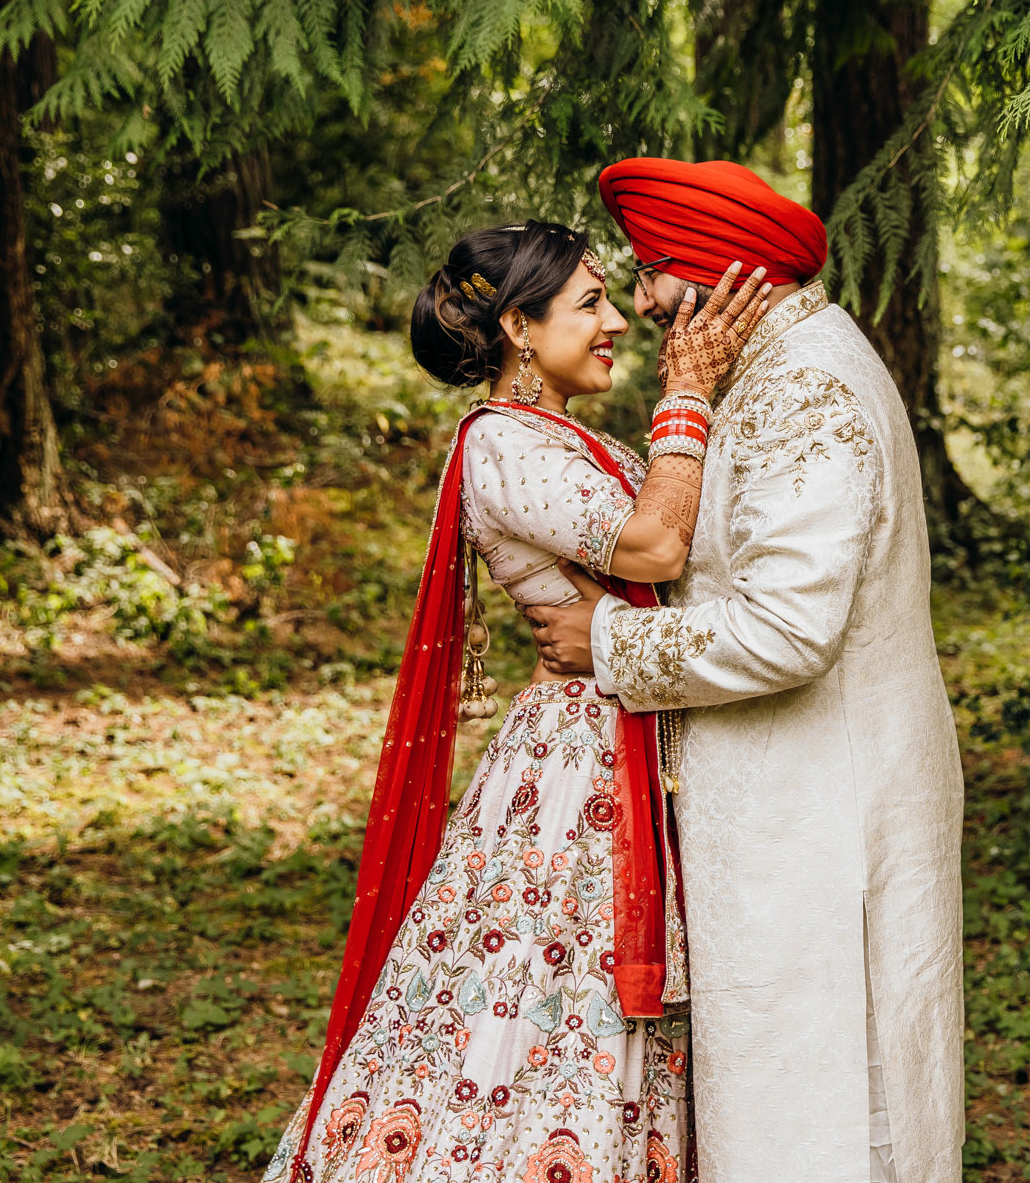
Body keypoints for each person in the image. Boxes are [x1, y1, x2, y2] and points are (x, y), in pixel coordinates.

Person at [261, 220, 771, 1183]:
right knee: (545, 1001)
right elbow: (655, 548)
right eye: (590, 302)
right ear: (518, 330)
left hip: (633, 724)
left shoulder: (568, 438)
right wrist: (690, 391)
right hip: (576, 772)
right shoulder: (501, 445)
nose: (616, 318)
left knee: (611, 1016)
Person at [524, 159, 966, 1183]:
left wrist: (606, 642)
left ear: (724, 280)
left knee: (816, 1104)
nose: (638, 304)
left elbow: (783, 630)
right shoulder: (781, 367)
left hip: (819, 816)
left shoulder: (803, 388)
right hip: (803, 800)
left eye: (651, 277)